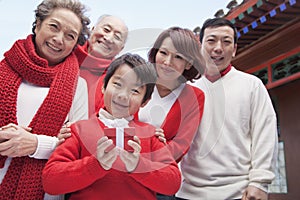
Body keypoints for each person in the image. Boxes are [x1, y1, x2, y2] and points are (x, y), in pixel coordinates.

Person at [42, 53, 181, 200]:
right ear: (103, 86)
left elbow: (173, 183)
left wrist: (139, 165)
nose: (123, 95)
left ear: (145, 102)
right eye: (117, 84)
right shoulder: (78, 130)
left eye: (135, 91)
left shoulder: (151, 135)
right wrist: (95, 165)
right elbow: (50, 182)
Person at [176, 18, 278, 200]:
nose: (218, 48)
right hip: (188, 192)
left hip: (238, 192)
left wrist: (260, 182)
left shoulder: (252, 85)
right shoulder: (185, 89)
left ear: (235, 49)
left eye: (226, 41)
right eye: (211, 40)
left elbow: (265, 134)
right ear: (200, 46)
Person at [0, 0, 90, 199]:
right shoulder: (2, 69)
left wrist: (36, 144)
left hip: (42, 191)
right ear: (38, 24)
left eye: (70, 36)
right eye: (54, 27)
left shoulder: (78, 85)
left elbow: (79, 146)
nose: (59, 39)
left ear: (75, 44)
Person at [136, 27, 206, 200]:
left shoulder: (194, 97)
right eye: (164, 53)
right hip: (122, 173)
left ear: (189, 63)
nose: (167, 62)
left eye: (178, 57)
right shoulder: (137, 82)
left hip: (159, 180)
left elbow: (181, 145)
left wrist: (141, 157)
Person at [75, 14, 128, 117]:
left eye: (117, 37)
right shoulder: (65, 54)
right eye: (106, 30)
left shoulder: (118, 79)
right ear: (92, 29)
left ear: (121, 49)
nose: (108, 38)